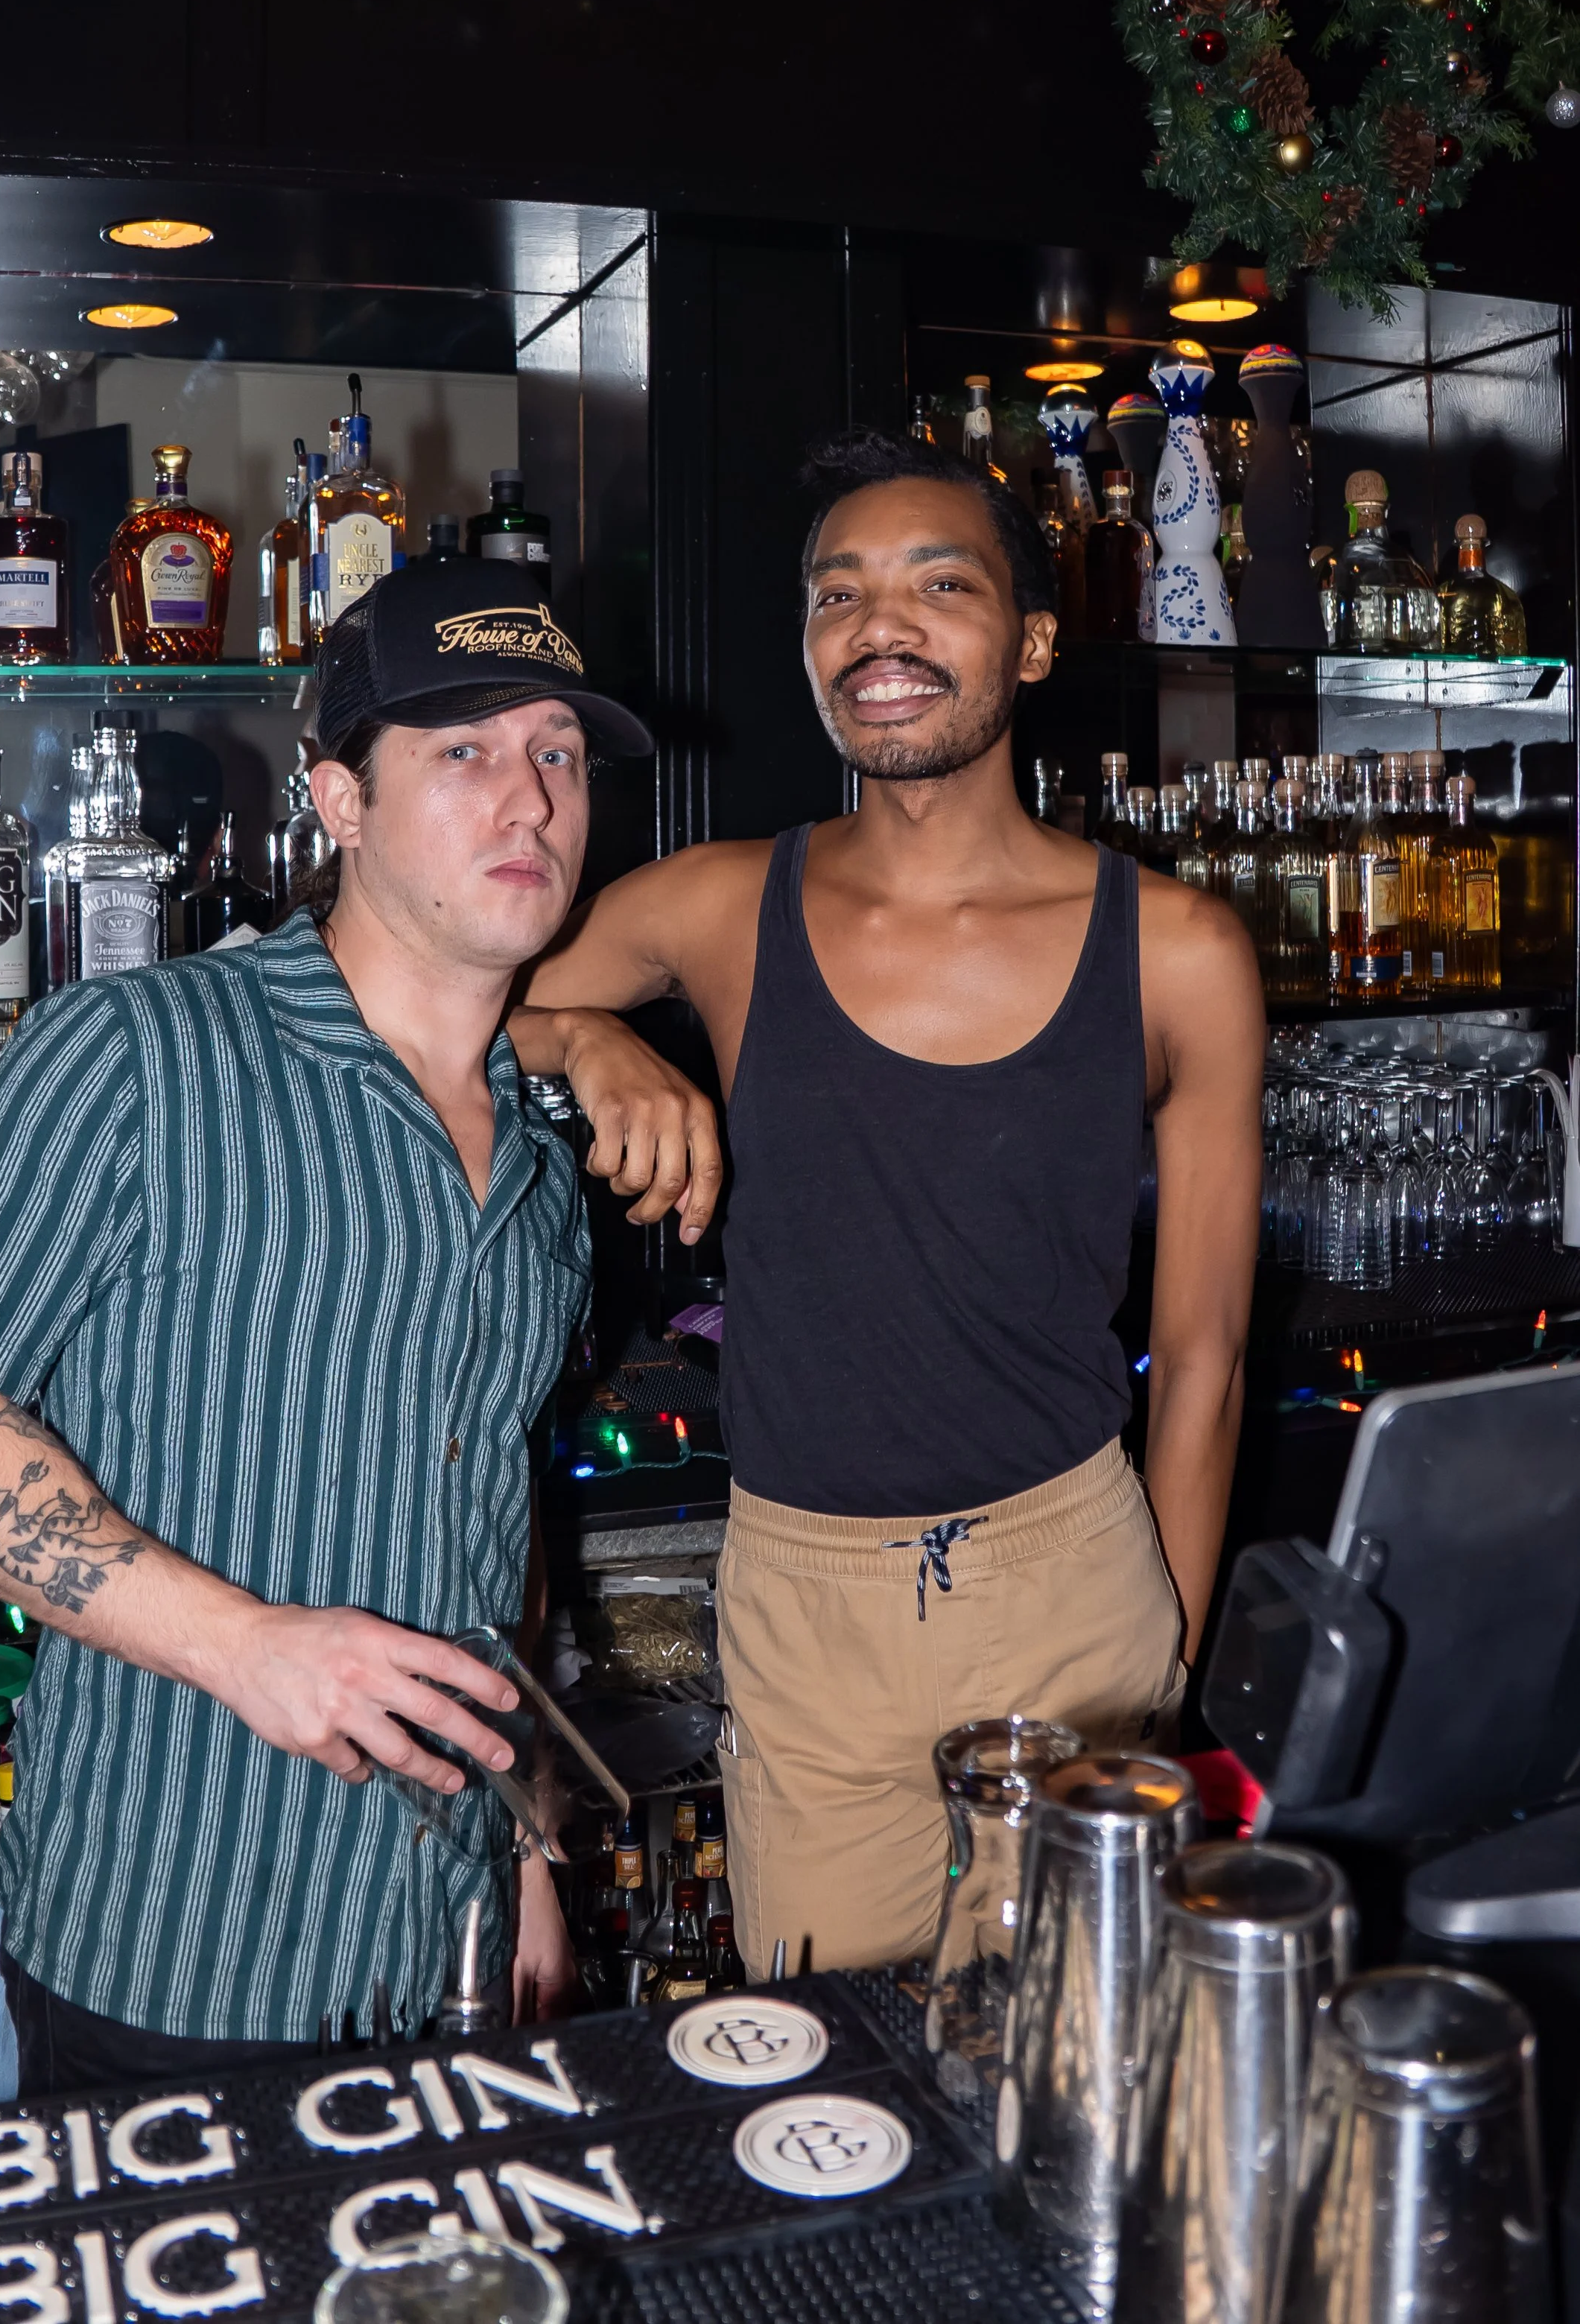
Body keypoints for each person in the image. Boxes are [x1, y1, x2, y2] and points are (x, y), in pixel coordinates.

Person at [0, 556, 652, 2092]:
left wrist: (528, 1844)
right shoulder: (135, 1055)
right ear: (339, 800)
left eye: (557, 752)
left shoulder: (544, 1165)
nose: (530, 800)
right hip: (170, 1952)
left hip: (446, 1947)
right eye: (464, 752)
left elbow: (495, 1530)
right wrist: (245, 1648)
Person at [511, 431, 1263, 1975]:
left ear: (1032, 641)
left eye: (940, 585)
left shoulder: (1179, 950)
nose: (879, 628)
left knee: (1081, 2063)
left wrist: (1165, 1673)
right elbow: (452, 1008)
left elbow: (1201, 1359)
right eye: (836, 594)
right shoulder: (719, 905)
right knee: (828, 2076)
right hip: (806, 1607)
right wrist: (587, 1039)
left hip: (1074, 1590)